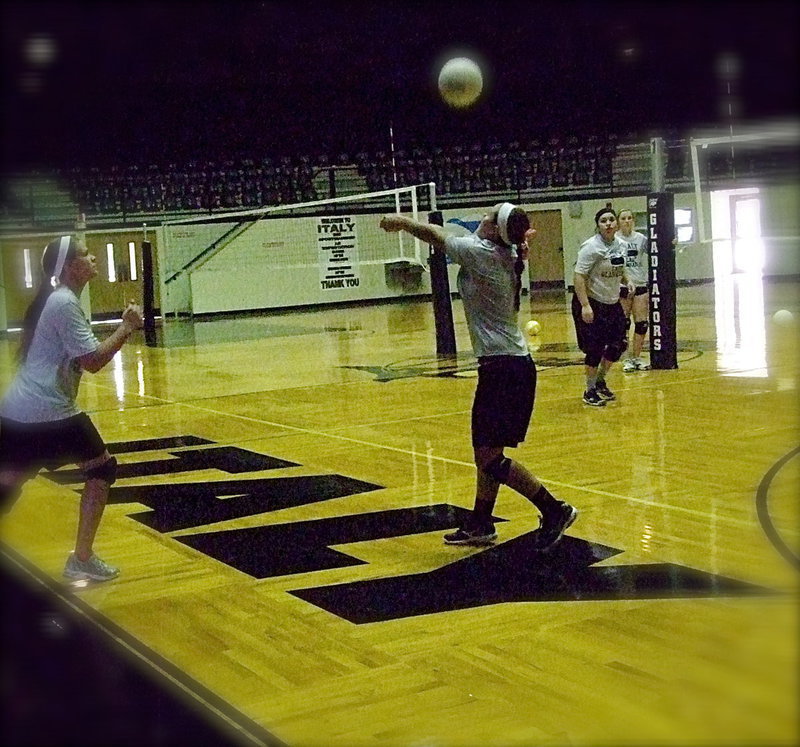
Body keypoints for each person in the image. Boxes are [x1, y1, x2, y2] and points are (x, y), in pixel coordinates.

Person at [380, 203, 577, 548]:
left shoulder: (481, 253)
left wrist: (402, 222)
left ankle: (554, 508)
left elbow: (435, 234)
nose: (483, 217)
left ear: (493, 230)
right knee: (485, 453)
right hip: (509, 367)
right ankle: (481, 523)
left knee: (490, 457)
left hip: (504, 370)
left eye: (489, 217)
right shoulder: (503, 253)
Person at [0, 235, 143, 581]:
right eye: (85, 255)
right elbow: (92, 360)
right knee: (103, 469)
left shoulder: (59, 301)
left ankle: (82, 557)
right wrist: (126, 327)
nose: (93, 258)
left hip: (20, 411)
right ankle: (81, 558)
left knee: (10, 481)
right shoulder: (63, 303)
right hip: (47, 411)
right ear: (68, 267)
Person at [572, 207, 632, 406]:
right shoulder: (591, 247)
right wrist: (585, 306)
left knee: (619, 345)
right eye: (603, 221)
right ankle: (589, 390)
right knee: (595, 348)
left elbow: (618, 267)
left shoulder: (621, 245)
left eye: (611, 220)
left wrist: (627, 280)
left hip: (612, 302)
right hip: (592, 302)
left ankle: (600, 380)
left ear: (616, 224)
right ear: (598, 226)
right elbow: (579, 276)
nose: (608, 224)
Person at [616, 208, 651, 372]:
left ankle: (636, 357)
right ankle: (626, 360)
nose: (627, 221)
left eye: (630, 218)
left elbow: (657, 249)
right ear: (618, 221)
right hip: (622, 286)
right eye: (623, 218)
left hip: (640, 283)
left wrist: (672, 242)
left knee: (642, 323)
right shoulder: (614, 240)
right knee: (624, 323)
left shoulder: (641, 239)